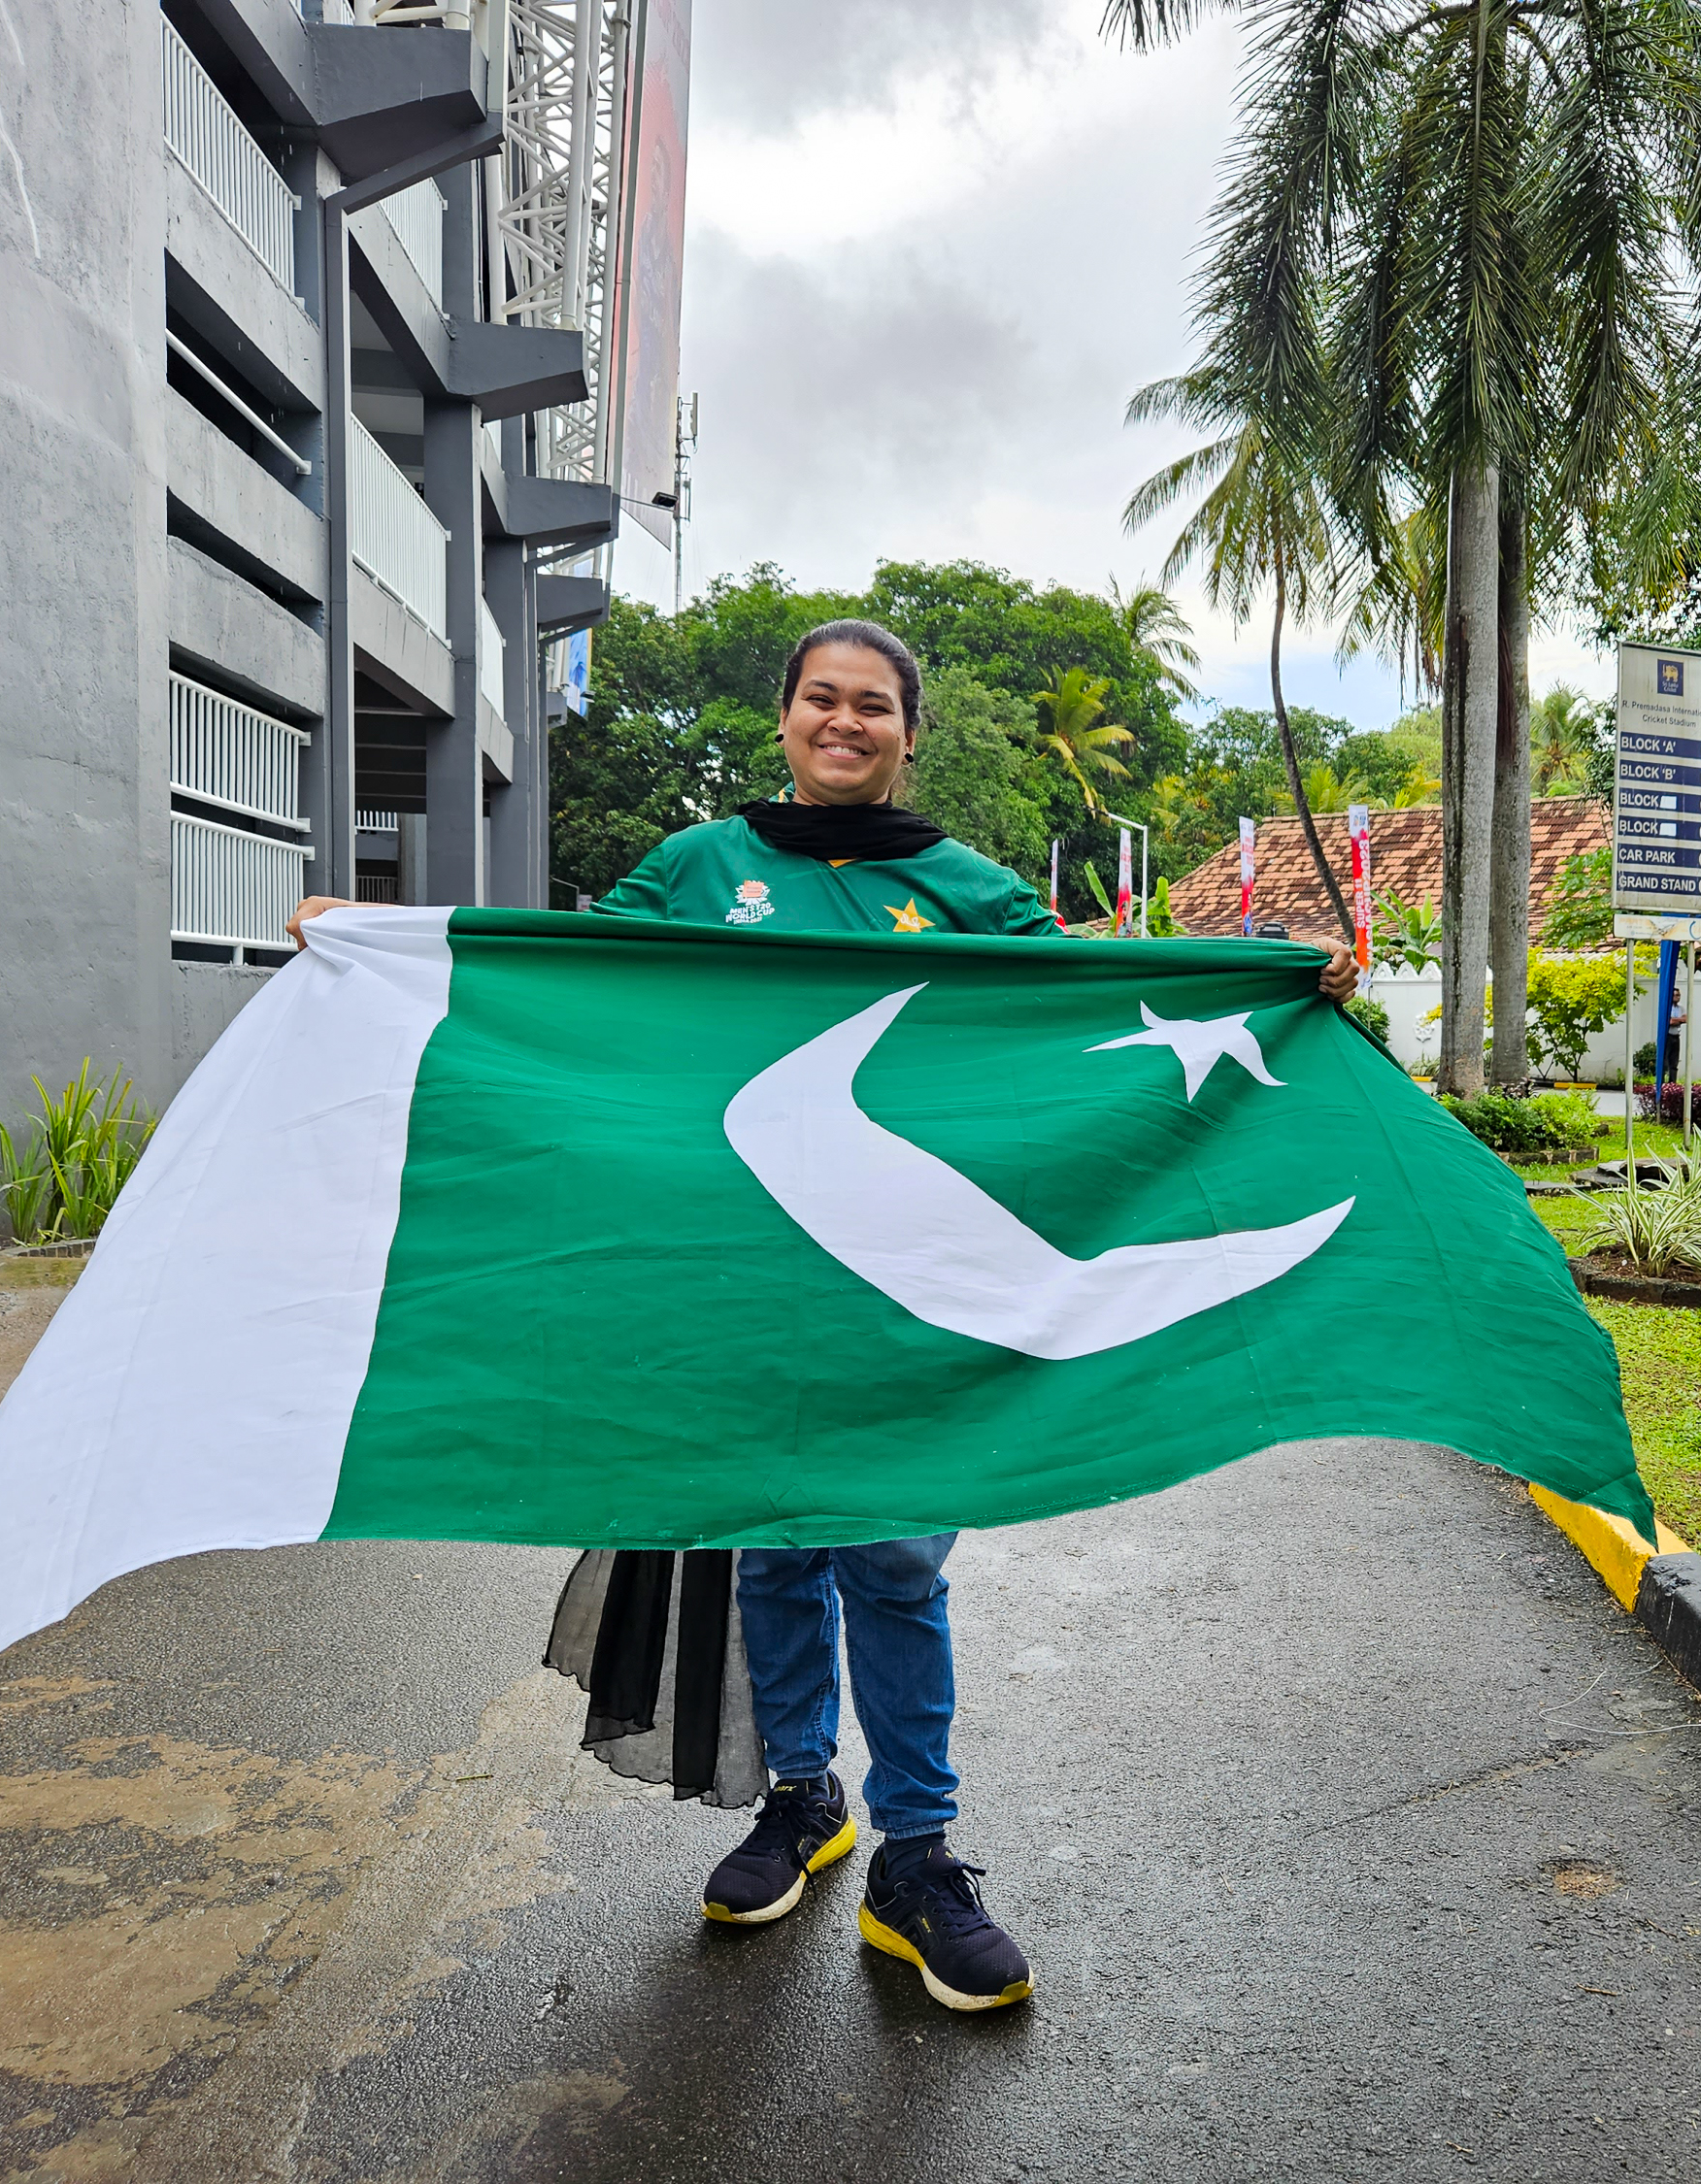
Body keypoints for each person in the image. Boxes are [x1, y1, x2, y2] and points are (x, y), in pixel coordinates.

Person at [284, 620, 1357, 2014]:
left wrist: (1277, 973)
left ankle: (922, 1856)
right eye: (818, 699)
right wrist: (381, 948)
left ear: (912, 730)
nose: (842, 722)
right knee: (773, 1553)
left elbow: (1102, 1003)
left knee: (896, 1559)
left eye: (872, 706)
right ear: (784, 717)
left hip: (906, 1300)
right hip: (736, 1290)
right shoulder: (699, 867)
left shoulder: (965, 887)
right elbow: (570, 981)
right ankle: (802, 1796)